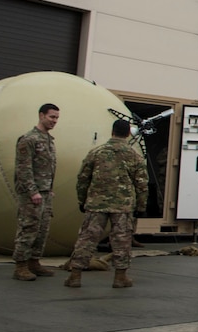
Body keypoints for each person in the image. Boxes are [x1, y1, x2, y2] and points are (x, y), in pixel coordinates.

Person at [64, 119, 149, 289]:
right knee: (122, 241)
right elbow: (142, 184)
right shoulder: (134, 156)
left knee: (87, 239)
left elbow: (82, 178)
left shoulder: (96, 152)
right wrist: (141, 207)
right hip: (122, 206)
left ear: (112, 132)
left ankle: (75, 276)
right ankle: (120, 277)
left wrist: (82, 200)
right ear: (127, 134)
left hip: (96, 204)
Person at [12, 103, 60, 281]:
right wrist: (33, 191)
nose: (54, 121)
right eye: (51, 117)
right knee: (28, 228)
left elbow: (47, 167)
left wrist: (49, 190)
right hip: (32, 194)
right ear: (41, 116)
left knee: (42, 230)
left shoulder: (48, 139)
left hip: (45, 192)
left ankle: (34, 262)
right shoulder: (29, 139)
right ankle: (21, 266)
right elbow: (23, 169)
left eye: (56, 118)